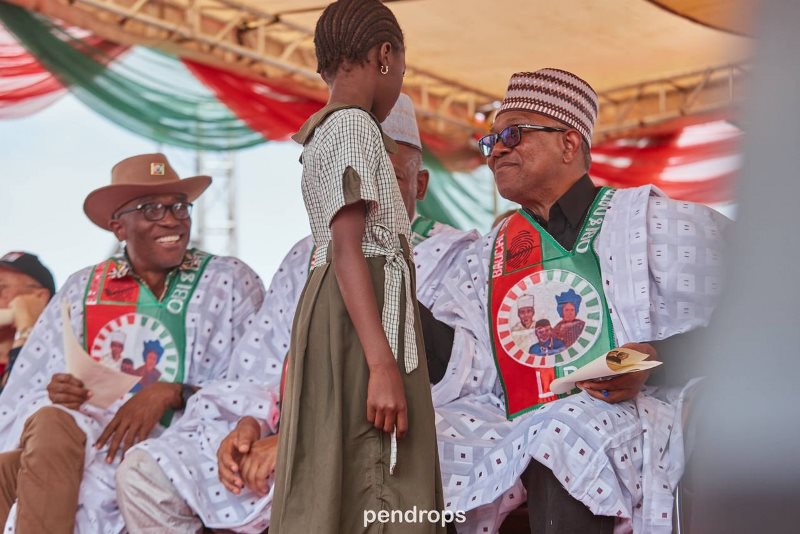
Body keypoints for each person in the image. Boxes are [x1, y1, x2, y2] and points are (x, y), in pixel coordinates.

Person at [115, 92, 473, 533]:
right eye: (355, 180)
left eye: (387, 178)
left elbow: (461, 380)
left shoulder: (459, 257)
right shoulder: (307, 254)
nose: (369, 196)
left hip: (382, 432)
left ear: (419, 185)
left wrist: (295, 441)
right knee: (144, 474)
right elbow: (260, 362)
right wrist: (248, 423)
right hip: (283, 428)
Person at [422, 69, 727, 533]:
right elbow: (469, 362)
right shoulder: (488, 253)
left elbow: (761, 313)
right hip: (511, 422)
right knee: (421, 445)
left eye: (512, 134)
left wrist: (657, 360)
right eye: (491, 141)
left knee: (561, 431)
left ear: (568, 144)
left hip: (634, 413)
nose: (496, 149)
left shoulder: (650, 223)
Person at [0, 153, 265, 533]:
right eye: (151, 209)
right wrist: (57, 391)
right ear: (118, 228)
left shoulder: (228, 280)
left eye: (179, 206)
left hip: (190, 446)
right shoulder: (81, 289)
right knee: (46, 424)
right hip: (92, 448)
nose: (171, 219)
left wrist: (174, 392)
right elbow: (23, 396)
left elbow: (258, 381)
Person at [271, 1, 443, 531]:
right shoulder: (355, 127)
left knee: (345, 470)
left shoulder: (329, 127)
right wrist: (382, 364)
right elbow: (349, 246)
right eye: (403, 70)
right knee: (377, 474)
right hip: (359, 317)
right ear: (384, 55)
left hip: (350, 311)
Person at [0, 252, 55, 384]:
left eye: (1, 288)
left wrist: (25, 329)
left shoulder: (58, 358)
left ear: (39, 297)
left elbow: (17, 398)